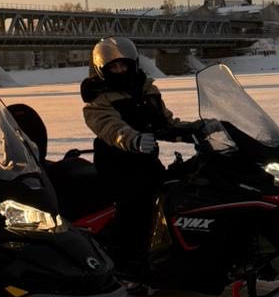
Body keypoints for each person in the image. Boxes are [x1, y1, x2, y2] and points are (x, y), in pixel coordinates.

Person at [79, 37, 203, 282]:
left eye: (123, 65)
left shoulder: (147, 89)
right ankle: (124, 264)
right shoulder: (98, 98)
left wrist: (195, 130)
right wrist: (132, 139)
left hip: (146, 160)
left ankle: (168, 252)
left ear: (133, 64)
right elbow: (108, 126)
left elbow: (164, 122)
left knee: (173, 195)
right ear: (101, 71)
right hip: (116, 163)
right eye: (113, 68)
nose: (120, 71)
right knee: (135, 204)